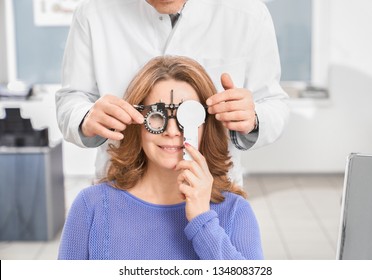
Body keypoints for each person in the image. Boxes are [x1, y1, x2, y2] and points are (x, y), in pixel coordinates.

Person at [55, 0, 289, 186]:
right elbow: (71, 98)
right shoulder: (93, 13)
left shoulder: (248, 13)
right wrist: (86, 118)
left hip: (211, 189)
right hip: (123, 187)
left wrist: (254, 118)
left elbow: (273, 103)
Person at [58, 56, 263, 260]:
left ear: (206, 127)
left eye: (188, 117)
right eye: (157, 117)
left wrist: (203, 221)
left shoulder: (236, 212)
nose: (172, 131)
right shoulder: (91, 206)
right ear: (137, 122)